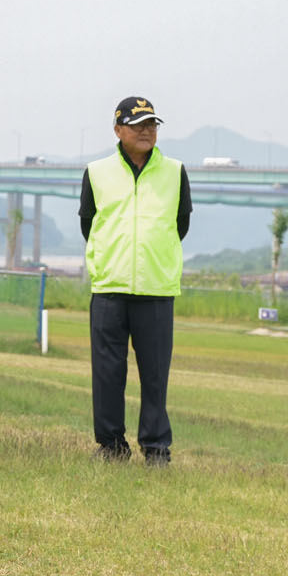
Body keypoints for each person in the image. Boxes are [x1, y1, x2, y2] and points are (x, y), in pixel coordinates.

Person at [77, 96, 191, 466]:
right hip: (109, 288)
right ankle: (111, 446)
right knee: (107, 373)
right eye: (138, 124)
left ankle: (156, 449)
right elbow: (88, 223)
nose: (146, 131)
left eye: (152, 124)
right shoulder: (97, 172)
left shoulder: (175, 171)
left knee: (155, 375)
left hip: (156, 289)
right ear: (118, 130)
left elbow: (181, 224)